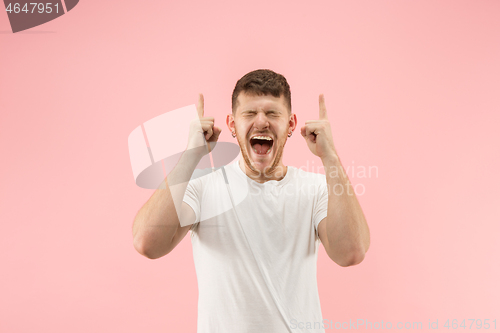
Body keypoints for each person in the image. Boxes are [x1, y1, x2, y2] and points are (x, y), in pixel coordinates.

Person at [132, 69, 370, 333]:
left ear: (291, 124)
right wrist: (191, 155)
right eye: (249, 113)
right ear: (232, 124)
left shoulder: (316, 189)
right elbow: (147, 243)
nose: (261, 122)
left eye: (272, 113)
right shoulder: (203, 187)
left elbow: (351, 252)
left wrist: (331, 158)